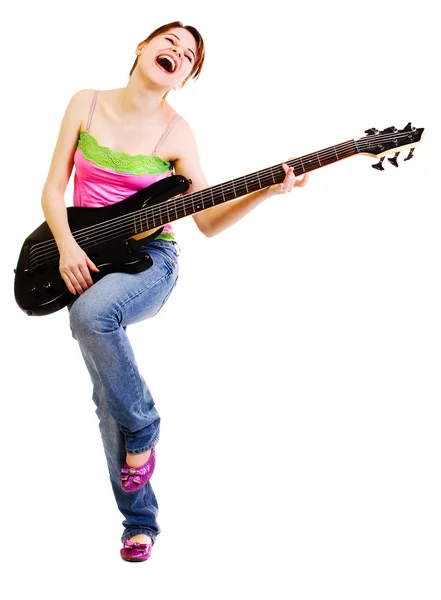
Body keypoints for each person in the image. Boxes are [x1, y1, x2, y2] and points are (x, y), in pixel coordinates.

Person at [41, 20, 309, 563]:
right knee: (104, 403)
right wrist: (68, 247)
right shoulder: (84, 103)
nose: (176, 53)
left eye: (188, 56)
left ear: (185, 78)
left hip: (150, 264)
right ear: (142, 46)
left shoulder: (177, 133)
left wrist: (264, 192)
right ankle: (140, 522)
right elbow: (51, 188)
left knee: (91, 317)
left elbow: (206, 223)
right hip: (86, 255)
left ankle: (146, 426)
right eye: (170, 42)